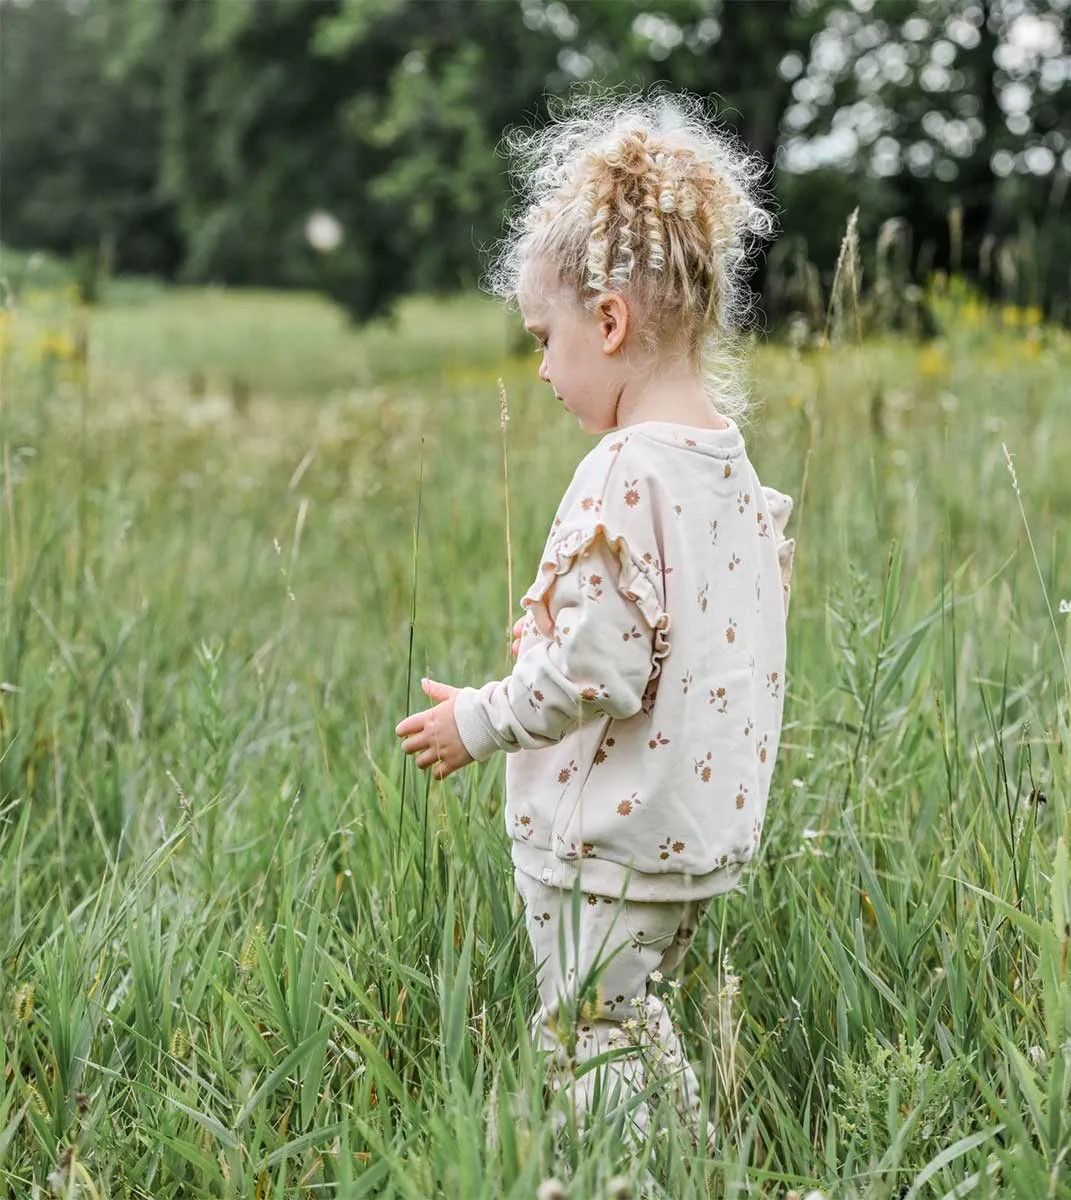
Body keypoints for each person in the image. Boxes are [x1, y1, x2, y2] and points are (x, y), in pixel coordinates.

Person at [395, 91, 795, 1147]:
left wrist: (477, 720)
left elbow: (596, 668)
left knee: (583, 1033)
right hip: (690, 835)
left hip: (605, 839)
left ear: (609, 321)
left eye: (546, 337)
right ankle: (691, 1152)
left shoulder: (624, 470)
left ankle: (617, 1169)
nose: (540, 367)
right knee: (629, 1010)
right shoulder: (724, 467)